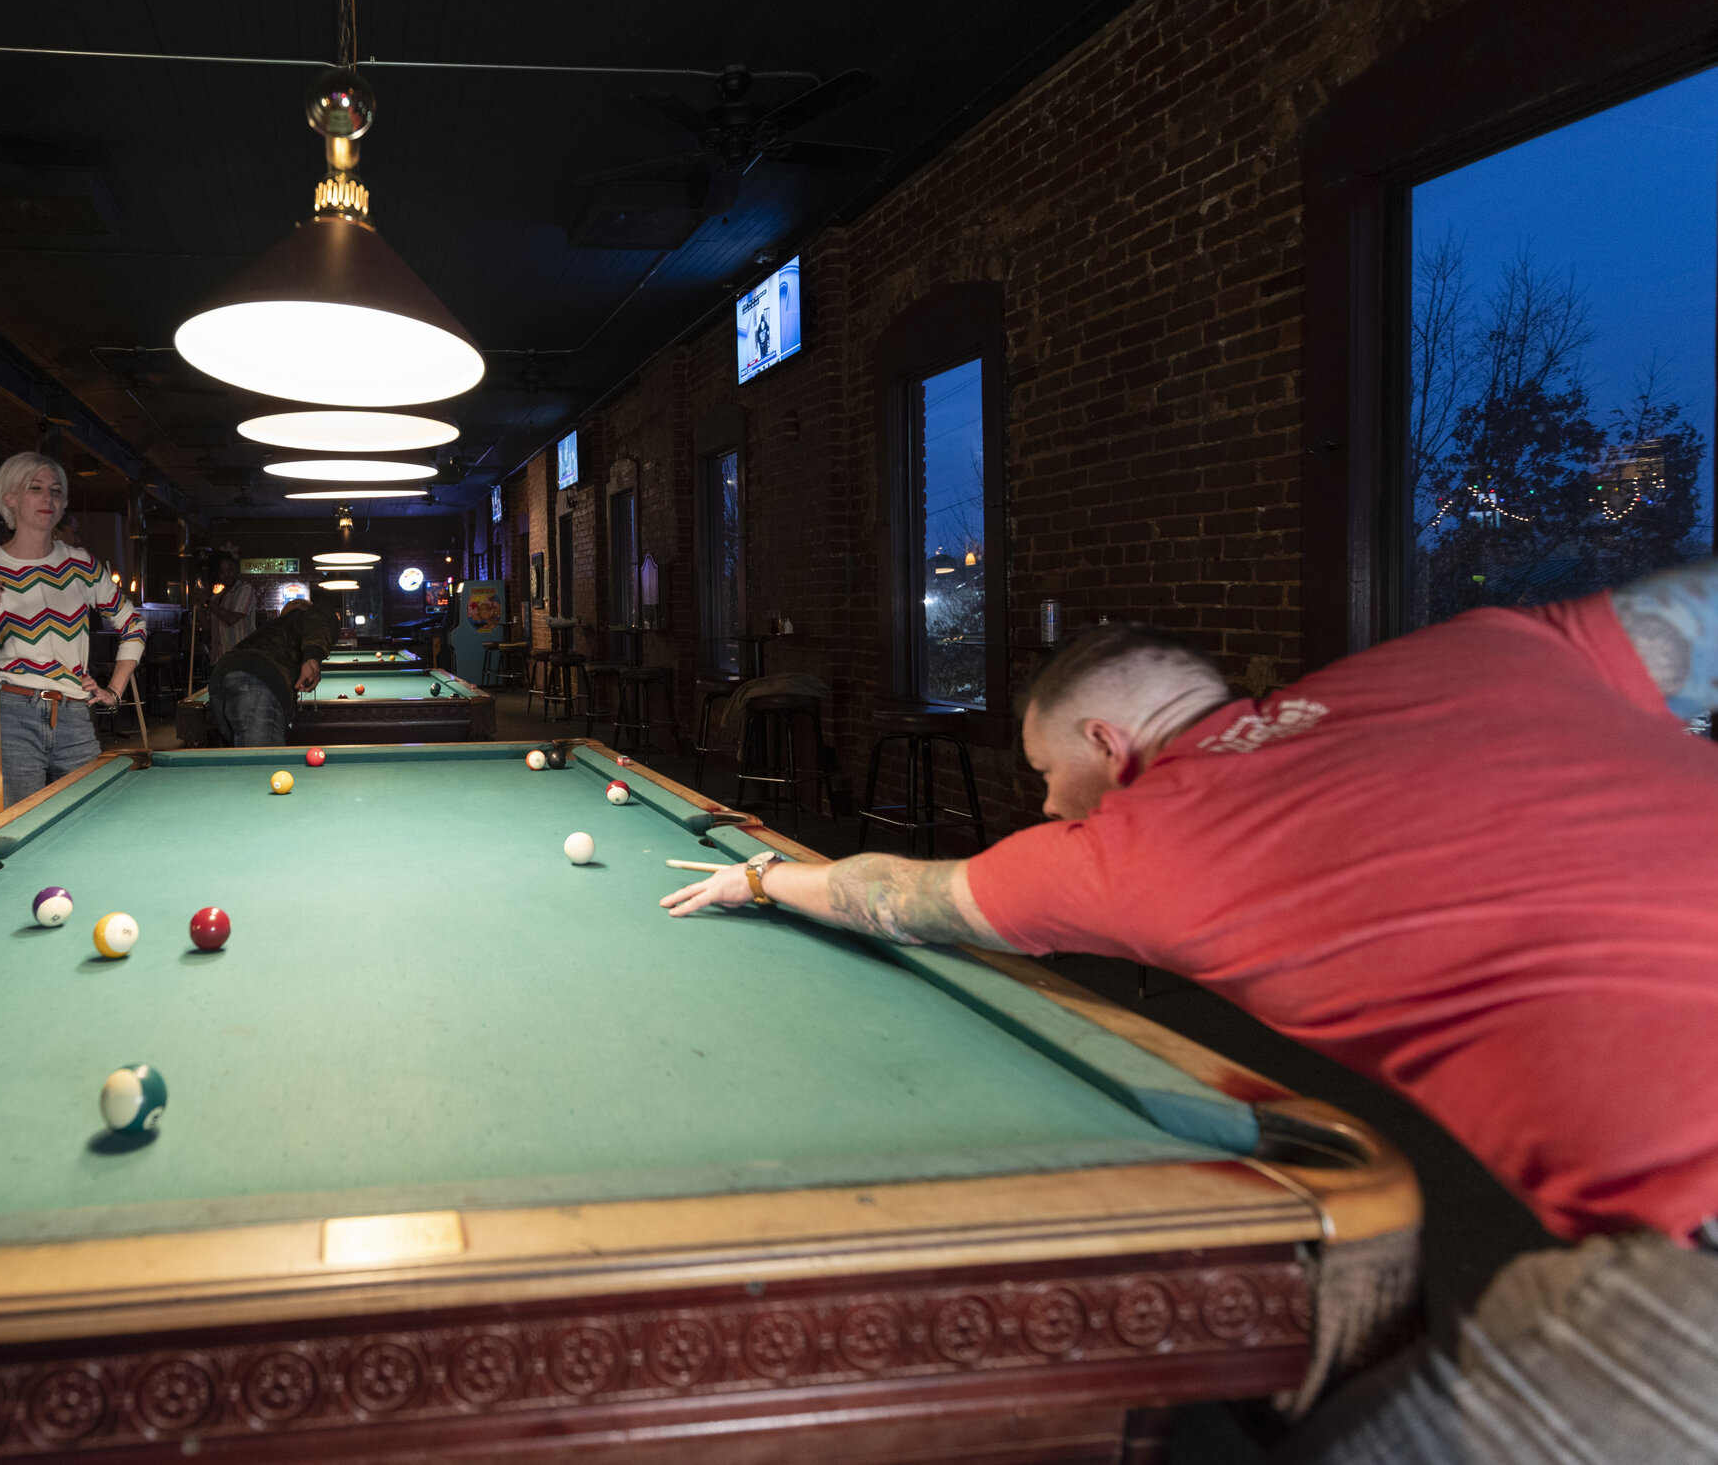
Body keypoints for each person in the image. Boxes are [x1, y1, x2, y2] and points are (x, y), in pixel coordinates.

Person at [661, 559, 1718, 1464]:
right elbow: (1694, 613)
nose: (1042, 803)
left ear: (1108, 744)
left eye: (1045, 771)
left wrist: (759, 880)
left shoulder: (1134, 851)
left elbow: (891, 897)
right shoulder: (1487, 647)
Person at [0, 453, 144, 801]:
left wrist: (114, 690)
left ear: (64, 502)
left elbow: (133, 625)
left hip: (74, 713)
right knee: (17, 830)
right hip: (9, 714)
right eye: (35, 488)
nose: (47, 498)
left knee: (90, 820)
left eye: (55, 490)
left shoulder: (81, 564)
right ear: (9, 498)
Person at [206, 596, 340, 747]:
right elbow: (320, 614)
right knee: (261, 764)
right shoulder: (306, 616)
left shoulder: (272, 627)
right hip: (254, 683)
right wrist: (314, 657)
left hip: (221, 677)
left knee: (241, 759)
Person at [208, 555, 259, 662]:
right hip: (220, 660)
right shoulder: (215, 598)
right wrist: (198, 606)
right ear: (218, 574)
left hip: (241, 659)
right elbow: (210, 629)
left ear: (237, 571)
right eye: (222, 571)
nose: (227, 574)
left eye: (230, 569)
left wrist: (207, 602)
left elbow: (230, 619)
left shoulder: (245, 590)